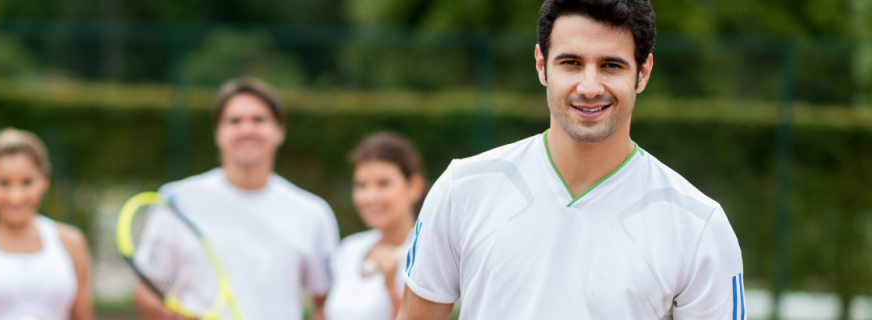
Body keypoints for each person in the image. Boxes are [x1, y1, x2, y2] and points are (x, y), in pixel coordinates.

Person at [397, 0, 747, 319]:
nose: (590, 86)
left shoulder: (698, 226)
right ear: (541, 65)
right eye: (571, 63)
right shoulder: (463, 188)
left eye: (611, 65)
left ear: (642, 72)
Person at [133, 77, 340, 320]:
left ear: (280, 130)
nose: (246, 130)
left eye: (258, 120)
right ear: (218, 133)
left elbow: (325, 304)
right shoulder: (176, 200)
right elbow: (146, 291)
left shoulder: (313, 213)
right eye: (235, 121)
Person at [0, 128, 94, 320]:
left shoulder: (72, 243)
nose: (16, 196)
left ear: (44, 180)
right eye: (3, 183)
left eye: (27, 182)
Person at [326, 133, 425, 320]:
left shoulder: (426, 253)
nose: (369, 197)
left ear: (414, 187)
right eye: (361, 185)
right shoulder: (350, 248)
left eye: (383, 183)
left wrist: (390, 286)